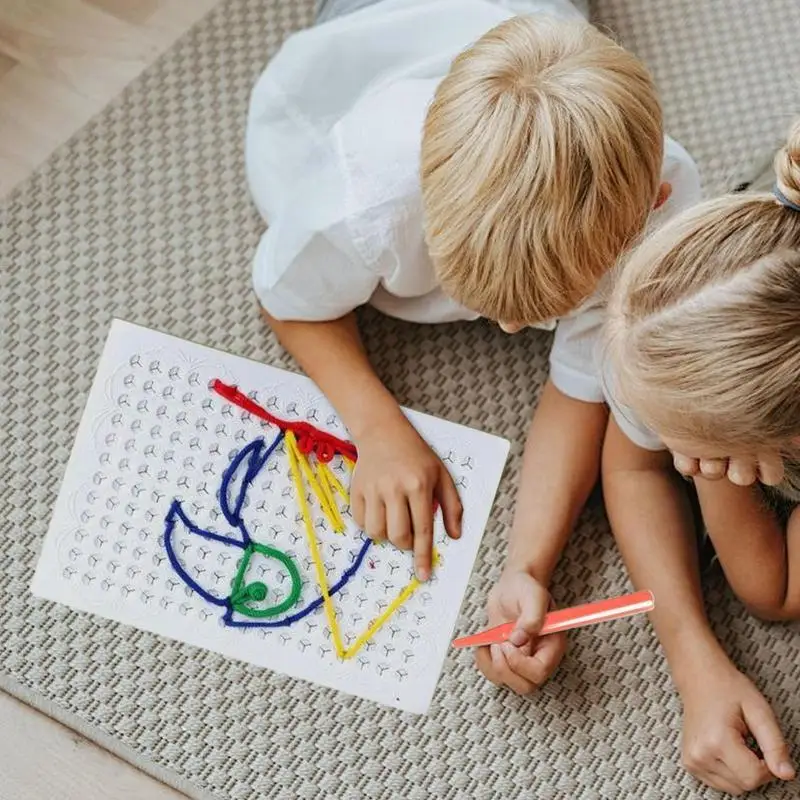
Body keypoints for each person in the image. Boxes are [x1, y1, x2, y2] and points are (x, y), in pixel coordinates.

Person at [246, 0, 700, 689]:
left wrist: (528, 566)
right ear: (424, 207)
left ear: (652, 202)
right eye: (491, 306)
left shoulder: (663, 205)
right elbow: (286, 300)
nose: (513, 331)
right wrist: (376, 426)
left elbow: (582, 386)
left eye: (541, 311)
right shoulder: (364, 197)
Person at [602, 121, 800, 794]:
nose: (663, 447)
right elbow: (628, 468)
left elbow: (772, 591)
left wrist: (713, 478)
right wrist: (692, 656)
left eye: (686, 444)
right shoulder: (728, 266)